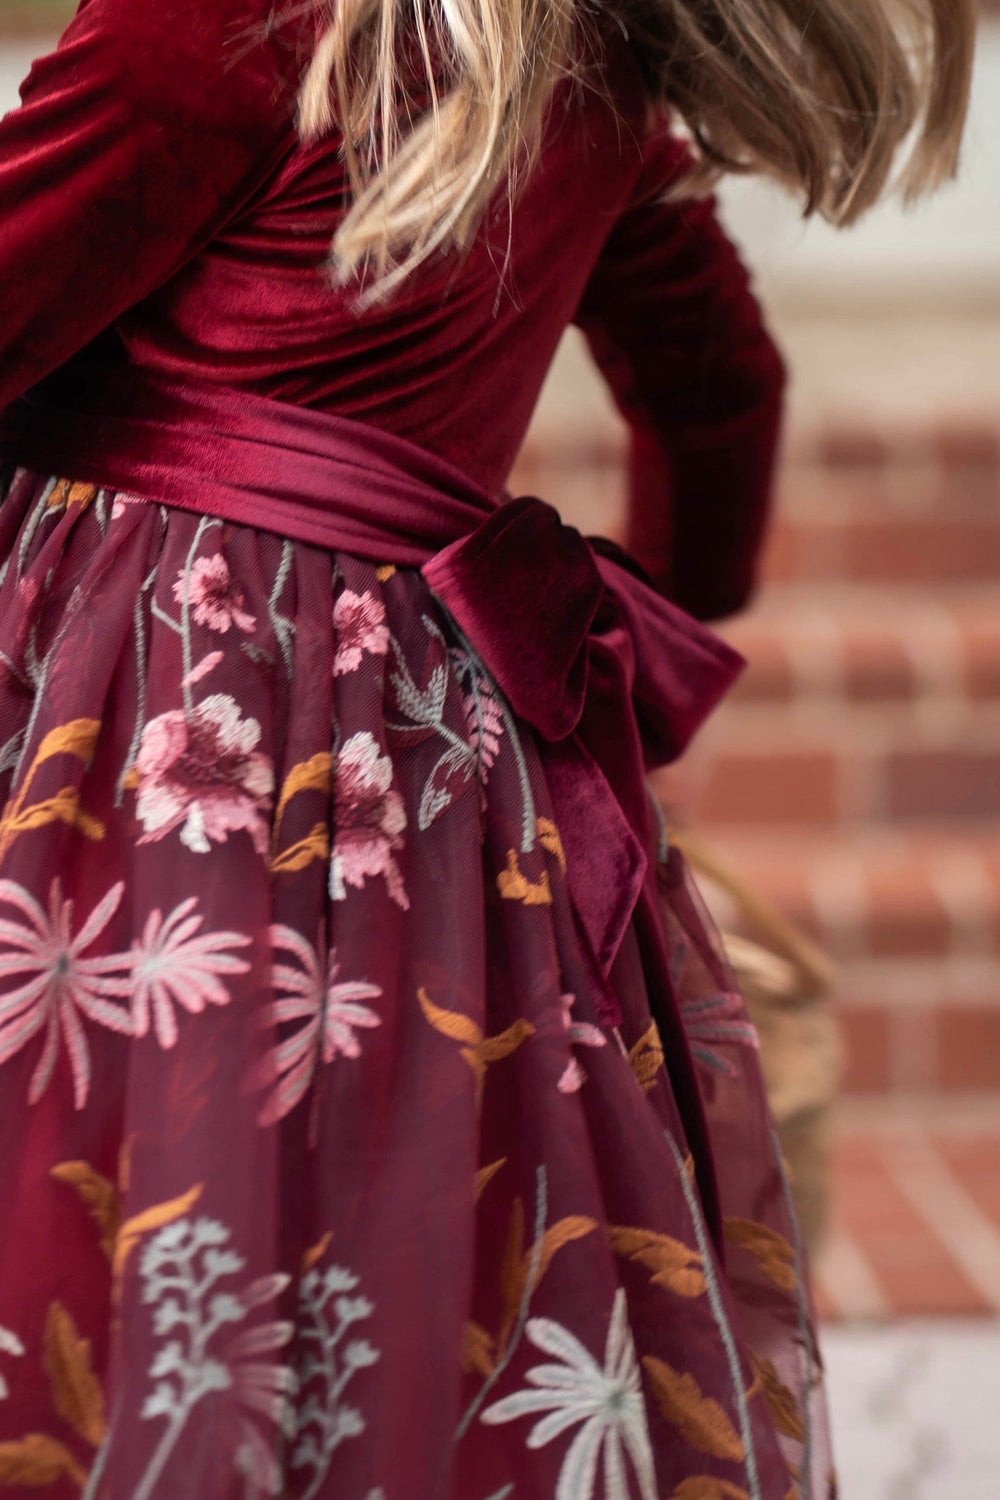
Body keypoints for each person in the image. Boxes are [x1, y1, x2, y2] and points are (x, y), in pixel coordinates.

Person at [0, 0, 973, 1494]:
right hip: (421, 749)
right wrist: (624, 649)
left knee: (105, 1169)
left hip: (140, 701)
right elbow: (724, 397)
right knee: (378, 1205)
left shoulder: (218, 23)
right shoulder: (592, 59)